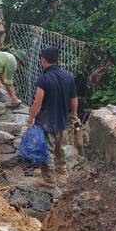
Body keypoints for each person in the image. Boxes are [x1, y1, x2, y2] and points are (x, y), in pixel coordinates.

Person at [28, 47, 78, 186]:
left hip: (46, 121)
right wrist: (74, 115)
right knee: (60, 147)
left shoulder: (44, 79)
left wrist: (31, 118)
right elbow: (74, 98)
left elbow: (37, 102)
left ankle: (49, 179)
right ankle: (61, 170)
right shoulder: (68, 76)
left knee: (45, 149)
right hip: (62, 120)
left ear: (43, 60)